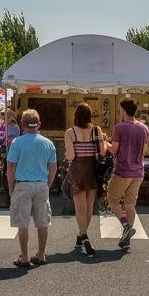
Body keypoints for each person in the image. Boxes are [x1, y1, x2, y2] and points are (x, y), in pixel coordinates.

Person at [6, 109, 58, 267]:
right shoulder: (48, 143)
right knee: (42, 222)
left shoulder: (17, 143)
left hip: (23, 184)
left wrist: (11, 188)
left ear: (22, 124)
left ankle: (25, 257)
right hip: (41, 185)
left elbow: (10, 168)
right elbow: (53, 167)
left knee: (23, 223)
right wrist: (47, 184)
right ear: (39, 124)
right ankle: (41, 254)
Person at [105, 97, 149, 249]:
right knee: (130, 204)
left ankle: (125, 227)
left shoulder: (120, 127)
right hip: (138, 171)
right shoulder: (144, 128)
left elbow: (113, 150)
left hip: (123, 170)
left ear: (123, 110)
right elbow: (145, 150)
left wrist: (105, 141)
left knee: (112, 200)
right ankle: (127, 238)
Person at [64, 102, 105, 254]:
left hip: (77, 170)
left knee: (79, 208)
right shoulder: (96, 130)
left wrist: (67, 156)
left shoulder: (70, 132)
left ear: (76, 116)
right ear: (89, 116)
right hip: (92, 170)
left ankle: (84, 236)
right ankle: (81, 236)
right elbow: (102, 151)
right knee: (89, 207)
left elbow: (71, 156)